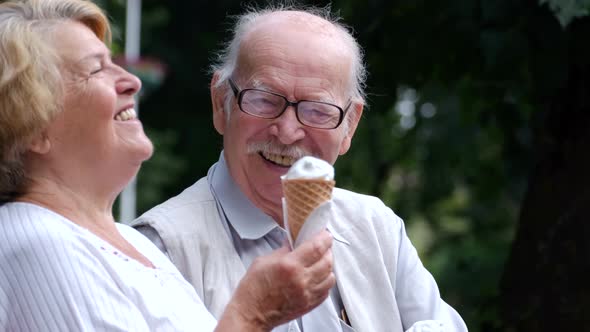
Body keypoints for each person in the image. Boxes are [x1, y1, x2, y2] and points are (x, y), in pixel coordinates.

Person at [0, 0, 336, 331]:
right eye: (96, 69)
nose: (133, 80)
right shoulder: (39, 243)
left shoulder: (134, 244)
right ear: (34, 127)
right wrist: (253, 315)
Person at [132, 4, 468, 332]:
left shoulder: (376, 228)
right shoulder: (159, 249)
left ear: (349, 126)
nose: (288, 131)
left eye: (318, 110)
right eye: (263, 99)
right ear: (222, 104)